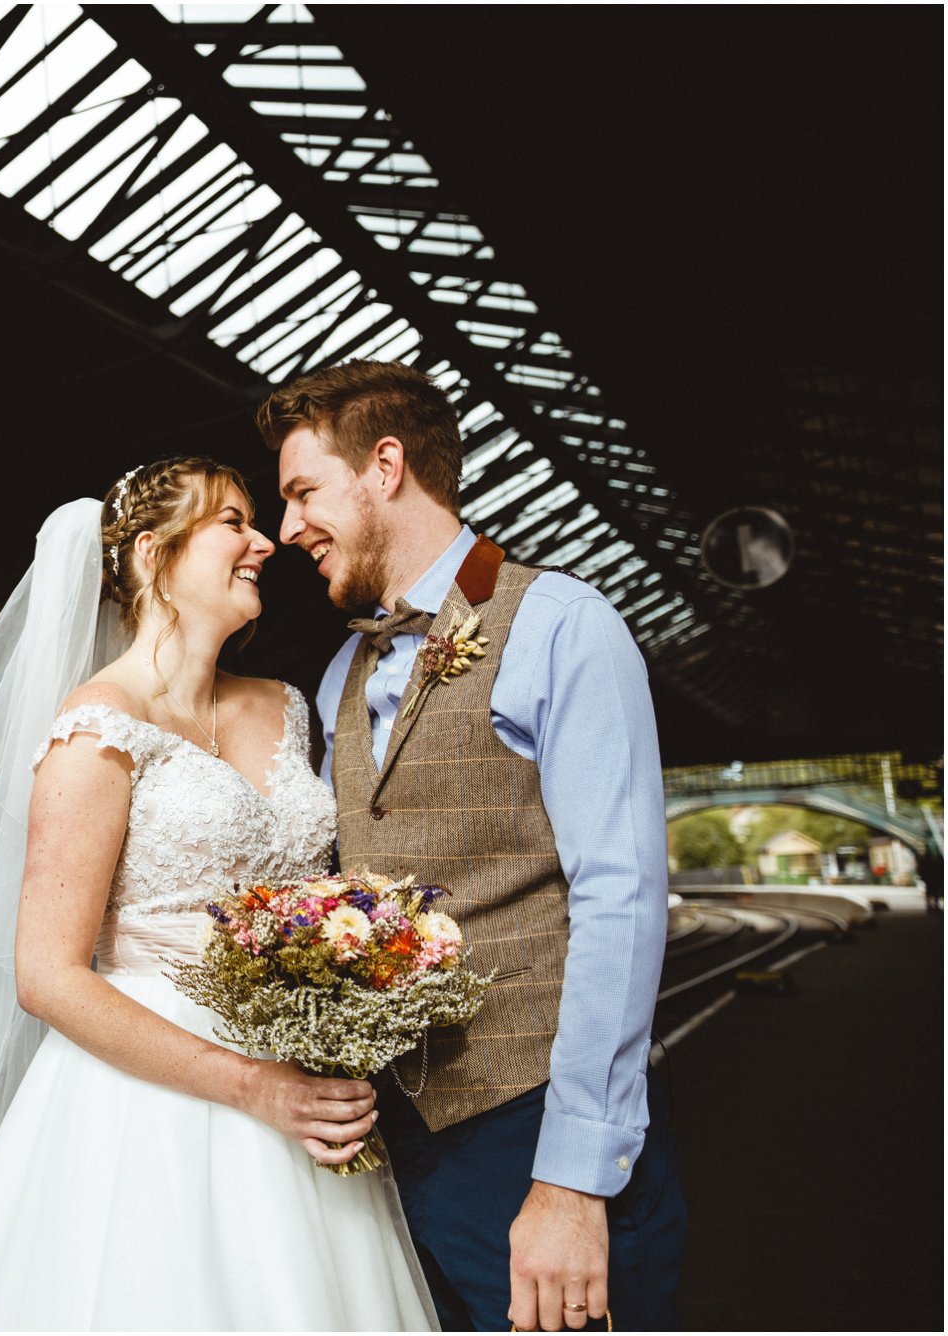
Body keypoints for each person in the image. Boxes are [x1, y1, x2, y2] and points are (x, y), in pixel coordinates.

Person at [0, 459, 436, 1330]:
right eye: (234, 521)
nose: (265, 541)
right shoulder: (98, 727)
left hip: (303, 1076)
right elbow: (46, 974)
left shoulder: (287, 707)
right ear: (154, 553)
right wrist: (254, 1088)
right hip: (149, 1105)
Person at [262, 360, 687, 1332]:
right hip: (395, 1153)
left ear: (383, 465)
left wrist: (571, 1184)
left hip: (532, 1135)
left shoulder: (560, 624)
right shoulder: (338, 672)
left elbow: (618, 897)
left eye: (300, 491)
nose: (287, 528)